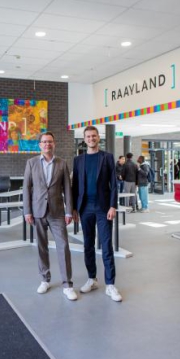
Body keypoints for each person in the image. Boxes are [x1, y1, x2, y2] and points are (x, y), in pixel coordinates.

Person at [23, 131, 77, 301]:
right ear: (40, 145)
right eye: (44, 142)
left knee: (63, 246)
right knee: (41, 246)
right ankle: (44, 279)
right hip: (37, 211)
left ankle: (67, 284)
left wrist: (69, 210)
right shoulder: (31, 163)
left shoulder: (62, 163)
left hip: (57, 212)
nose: (47, 144)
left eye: (50, 142)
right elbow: (26, 188)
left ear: (54, 144)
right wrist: (27, 211)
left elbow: (67, 189)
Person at [72, 126, 122, 302]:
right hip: (85, 208)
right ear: (84, 139)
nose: (91, 139)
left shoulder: (107, 157)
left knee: (107, 245)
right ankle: (92, 279)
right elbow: (75, 186)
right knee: (88, 246)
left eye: (94, 136)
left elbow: (114, 184)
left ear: (98, 138)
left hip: (103, 208)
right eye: (88, 136)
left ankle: (110, 284)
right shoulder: (78, 160)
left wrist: (113, 206)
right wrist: (73, 208)